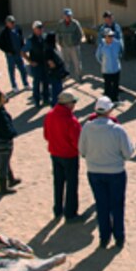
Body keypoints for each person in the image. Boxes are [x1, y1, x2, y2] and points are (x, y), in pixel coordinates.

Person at [80, 96, 135, 249]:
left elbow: (82, 151)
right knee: (117, 205)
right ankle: (119, 236)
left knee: (101, 205)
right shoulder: (117, 130)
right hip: (116, 172)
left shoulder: (87, 127)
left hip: (94, 172)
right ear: (110, 111)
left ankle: (104, 237)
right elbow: (128, 153)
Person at [43, 91, 82, 221]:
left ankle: (57, 208)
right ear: (68, 104)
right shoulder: (71, 121)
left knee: (58, 182)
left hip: (55, 153)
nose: (74, 105)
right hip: (69, 155)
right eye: (73, 102)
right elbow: (77, 142)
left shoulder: (49, 115)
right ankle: (70, 212)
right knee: (71, 184)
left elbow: (46, 135)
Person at [23, 21, 53, 108]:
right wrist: (30, 61)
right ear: (34, 29)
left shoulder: (44, 37)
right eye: (38, 28)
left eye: (41, 28)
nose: (40, 30)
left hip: (45, 64)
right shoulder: (30, 40)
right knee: (36, 83)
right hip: (36, 65)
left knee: (46, 82)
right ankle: (37, 101)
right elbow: (23, 52)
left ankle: (46, 99)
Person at [0, 16, 29, 92]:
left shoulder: (18, 29)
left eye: (13, 22)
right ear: (7, 23)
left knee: (22, 69)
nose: (12, 24)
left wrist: (23, 49)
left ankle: (26, 84)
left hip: (18, 53)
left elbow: (21, 39)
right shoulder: (4, 32)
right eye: (11, 22)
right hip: (11, 55)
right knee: (12, 70)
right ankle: (14, 86)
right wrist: (7, 51)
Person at [95, 28, 124, 102]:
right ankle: (107, 101)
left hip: (116, 69)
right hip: (106, 70)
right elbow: (98, 56)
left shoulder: (117, 43)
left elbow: (120, 53)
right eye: (109, 36)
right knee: (107, 86)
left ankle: (115, 99)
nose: (111, 37)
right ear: (105, 37)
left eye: (112, 35)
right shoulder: (102, 45)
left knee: (115, 85)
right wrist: (104, 63)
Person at [57, 8, 84, 83]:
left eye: (69, 15)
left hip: (74, 47)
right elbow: (57, 34)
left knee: (77, 62)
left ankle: (79, 77)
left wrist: (76, 42)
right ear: (63, 16)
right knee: (65, 62)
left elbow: (80, 34)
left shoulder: (75, 23)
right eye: (66, 15)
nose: (68, 17)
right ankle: (66, 76)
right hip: (64, 47)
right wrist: (59, 43)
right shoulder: (60, 24)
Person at [44, 32, 68, 106]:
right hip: (55, 74)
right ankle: (55, 105)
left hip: (56, 73)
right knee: (56, 90)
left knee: (58, 90)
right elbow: (51, 63)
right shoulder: (48, 49)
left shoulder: (52, 47)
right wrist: (58, 69)